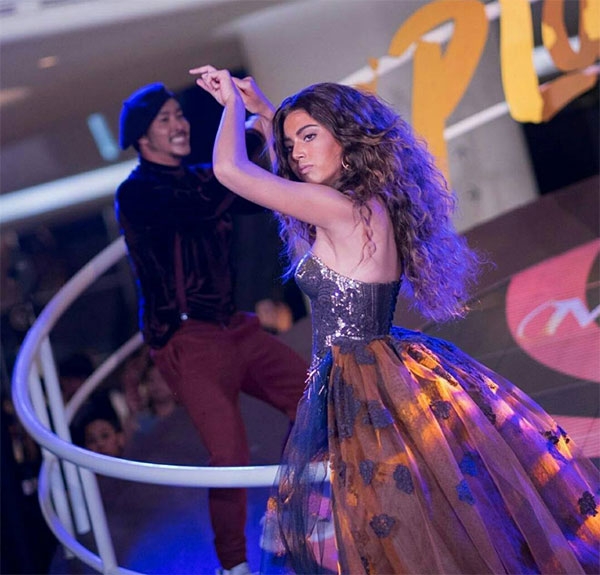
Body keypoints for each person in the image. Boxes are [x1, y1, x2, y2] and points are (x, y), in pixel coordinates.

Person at [192, 66, 600, 575]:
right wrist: (267, 115)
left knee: (383, 522)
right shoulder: (365, 203)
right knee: (407, 517)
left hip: (359, 383)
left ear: (347, 141)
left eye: (310, 137)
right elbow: (296, 180)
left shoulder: (336, 208)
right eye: (292, 143)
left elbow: (231, 171)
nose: (296, 153)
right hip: (380, 370)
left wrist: (231, 106)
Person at [114, 80, 308, 575]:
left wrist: (266, 129)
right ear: (142, 137)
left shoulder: (205, 176)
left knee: (315, 399)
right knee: (230, 455)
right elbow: (207, 197)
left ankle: (290, 508)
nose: (179, 125)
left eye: (180, 115)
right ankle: (233, 565)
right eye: (165, 119)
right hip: (186, 340)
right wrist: (243, 129)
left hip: (234, 327)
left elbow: (259, 192)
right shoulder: (136, 193)